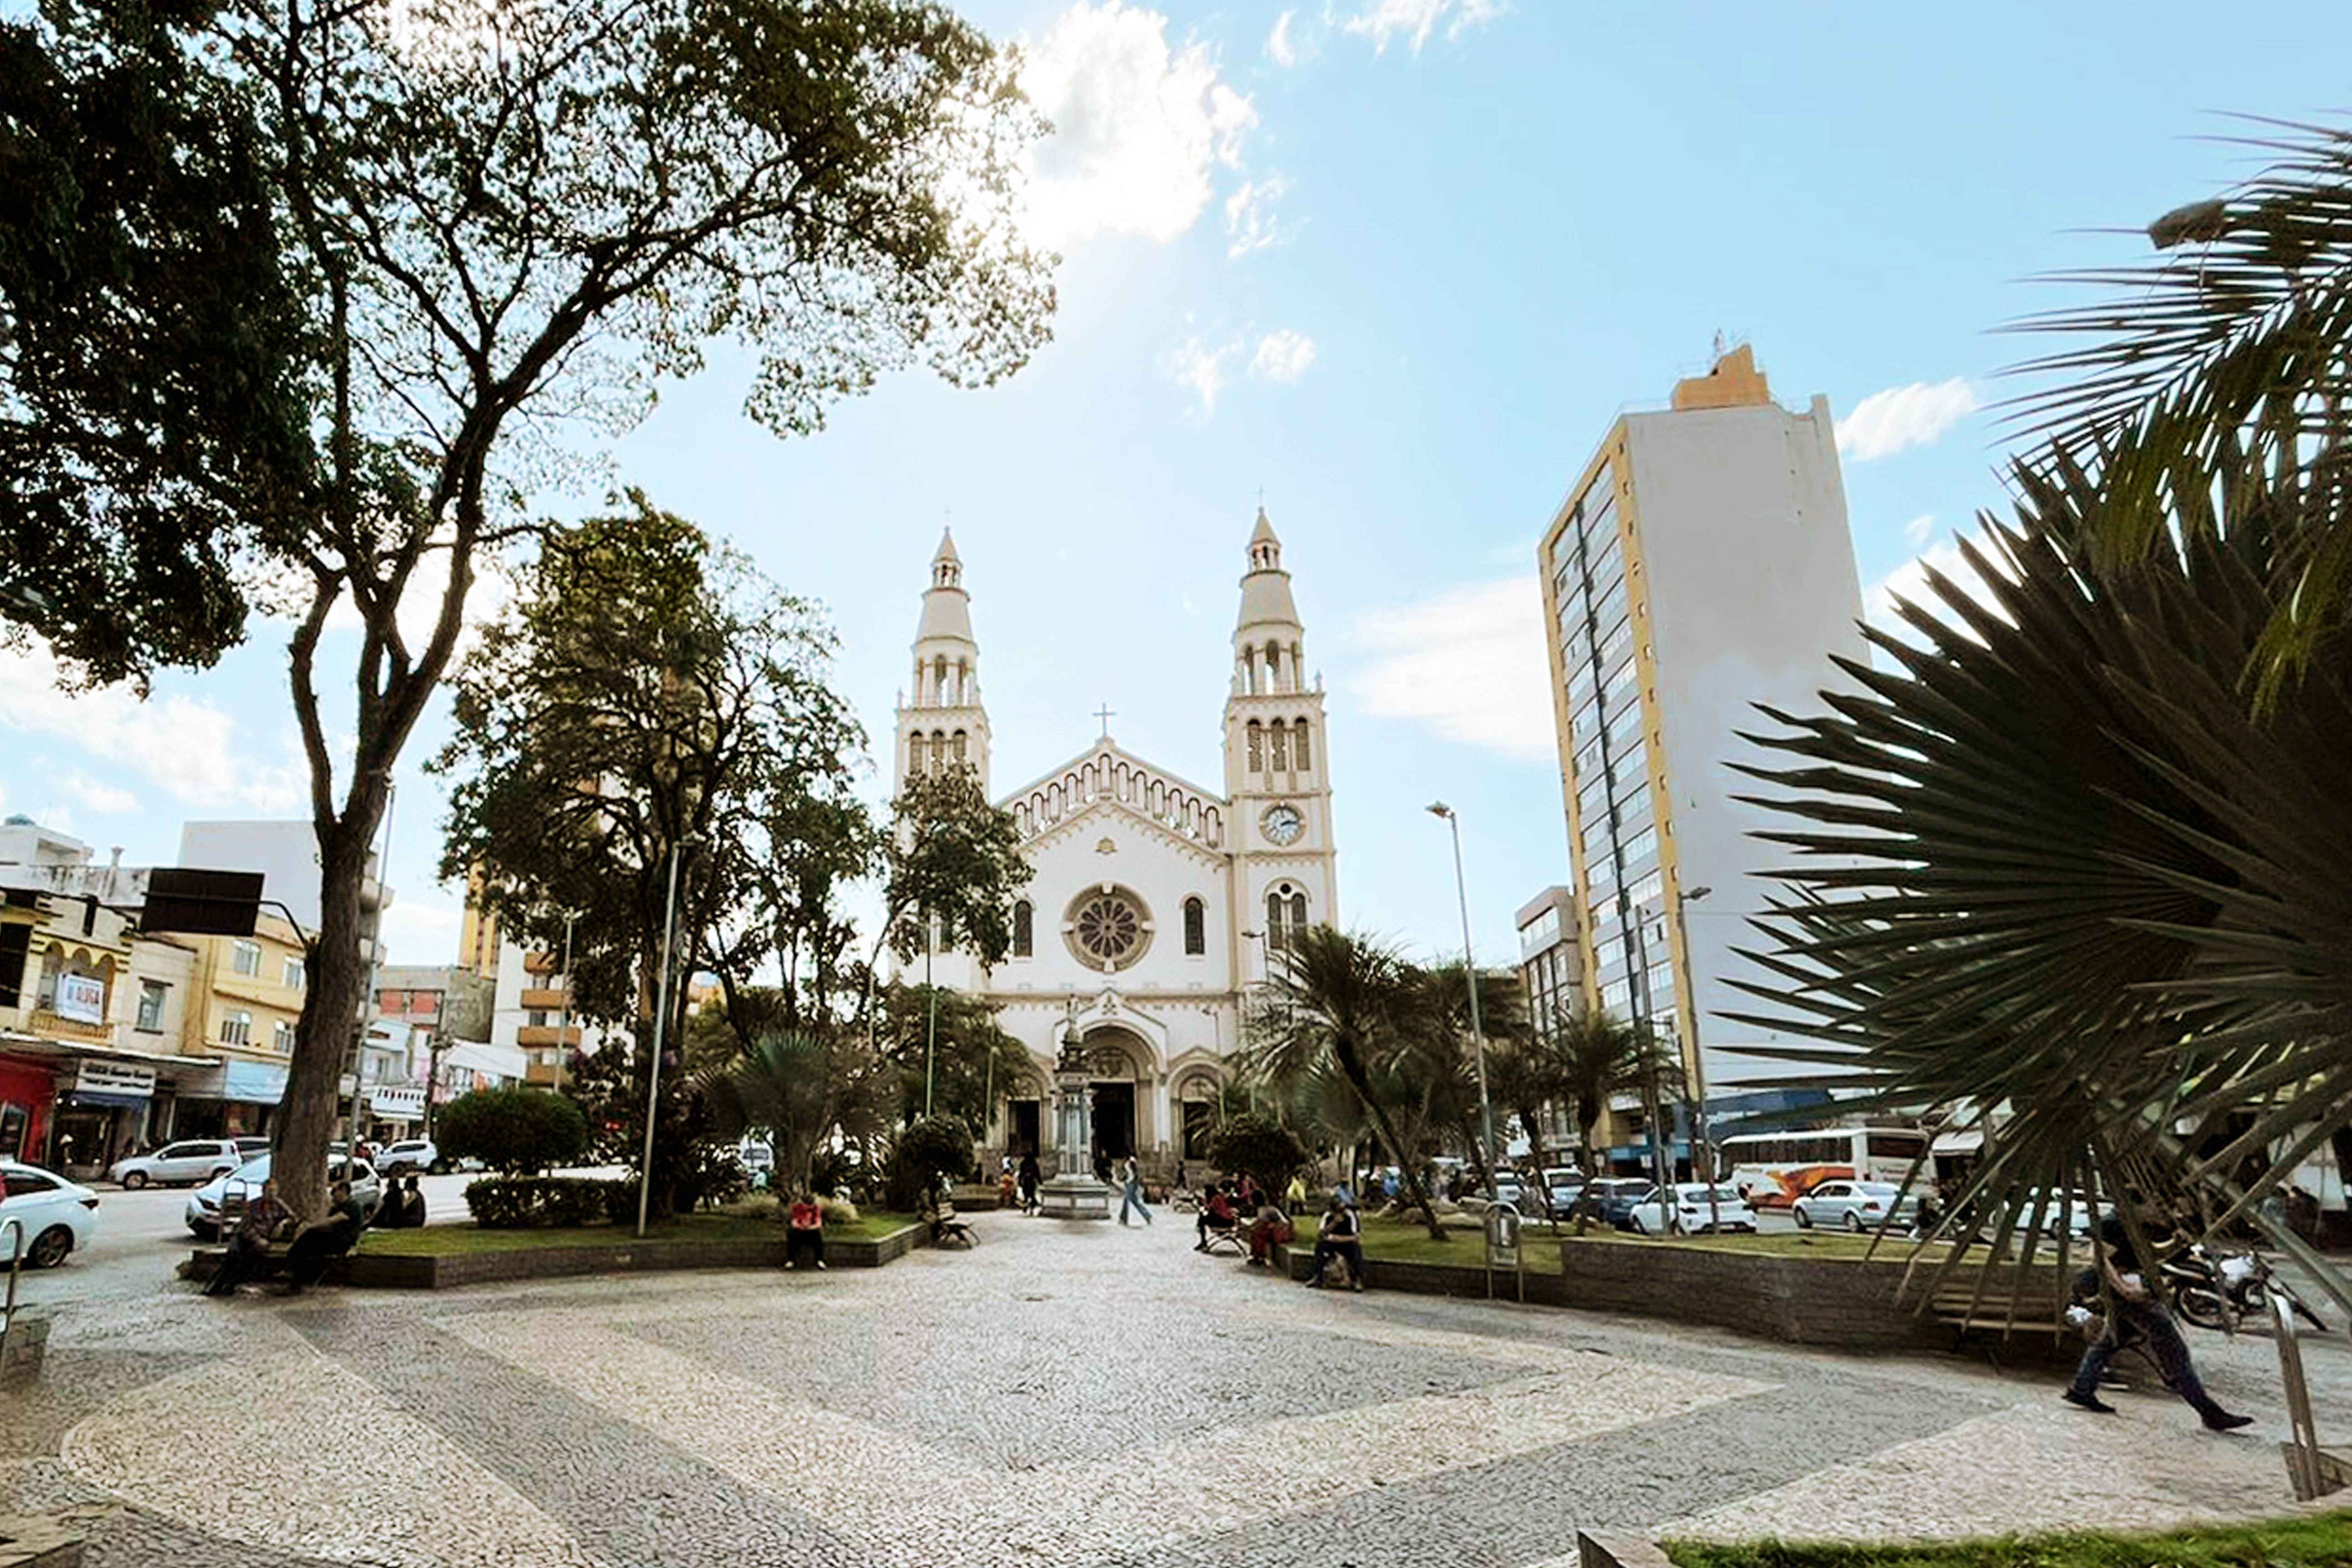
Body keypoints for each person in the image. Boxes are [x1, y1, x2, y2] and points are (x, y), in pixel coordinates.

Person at [2064, 1215, 2251, 1431]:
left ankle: (2082, 1389)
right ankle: (2210, 1413)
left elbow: (2148, 1253)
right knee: (2174, 1351)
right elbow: (2099, 1259)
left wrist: (2176, 1243)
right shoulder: (2115, 1223)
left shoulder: (2137, 1224)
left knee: (2109, 1342)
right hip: (2125, 1295)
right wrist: (2124, 1290)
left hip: (2126, 1294)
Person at [204, 1178, 293, 1296]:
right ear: (263, 1191)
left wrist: (283, 1223)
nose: (271, 1194)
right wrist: (258, 1240)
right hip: (244, 1237)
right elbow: (246, 1228)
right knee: (234, 1257)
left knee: (248, 1261)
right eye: (269, 1191)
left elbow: (293, 1217)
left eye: (273, 1191)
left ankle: (230, 1286)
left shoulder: (279, 1205)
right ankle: (214, 1286)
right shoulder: (254, 1205)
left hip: (262, 1240)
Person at [282, 1179, 367, 1295]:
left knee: (307, 1242)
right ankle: (292, 1272)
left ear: (343, 1191)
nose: (332, 1195)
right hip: (334, 1238)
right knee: (307, 1242)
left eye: (335, 1191)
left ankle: (290, 1269)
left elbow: (332, 1221)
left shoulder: (352, 1206)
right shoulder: (337, 1207)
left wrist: (310, 1226)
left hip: (342, 1242)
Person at [1306, 1193, 1365, 1291]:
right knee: (1320, 1247)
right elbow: (1322, 1233)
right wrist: (1334, 1224)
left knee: (1356, 1250)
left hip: (1346, 1242)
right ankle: (1318, 1277)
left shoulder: (1350, 1216)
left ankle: (1358, 1279)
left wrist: (1340, 1239)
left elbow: (1356, 1236)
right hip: (1331, 1242)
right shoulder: (1328, 1216)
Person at [1248, 1191, 1294, 1267]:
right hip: (1278, 1230)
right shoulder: (1268, 1208)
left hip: (1280, 1232)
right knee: (1256, 1234)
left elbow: (1262, 1222)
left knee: (1258, 1236)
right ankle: (1257, 1256)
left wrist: (1252, 1228)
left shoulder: (1264, 1209)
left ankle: (1260, 1256)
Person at [785, 1189, 827, 1270]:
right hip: (800, 1230)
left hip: (811, 1230)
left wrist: (810, 1227)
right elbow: (794, 1222)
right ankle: (791, 1260)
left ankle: (820, 1260)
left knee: (817, 1236)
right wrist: (801, 1227)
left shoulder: (815, 1208)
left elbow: (818, 1223)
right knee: (792, 1235)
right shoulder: (797, 1208)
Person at [1196, 1183, 1238, 1250]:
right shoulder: (1222, 1197)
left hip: (1222, 1222)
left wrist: (1203, 1203)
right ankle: (1203, 1241)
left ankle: (1203, 1241)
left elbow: (1211, 1209)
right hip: (1230, 1221)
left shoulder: (1215, 1199)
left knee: (1202, 1218)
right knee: (1203, 1218)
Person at [1117, 1155, 1153, 1226]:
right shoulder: (1126, 1163)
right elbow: (1125, 1174)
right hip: (1129, 1184)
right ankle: (1146, 1215)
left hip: (1132, 1184)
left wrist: (1133, 1181)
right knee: (1133, 1201)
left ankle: (1123, 1218)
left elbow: (1135, 1174)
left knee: (1127, 1201)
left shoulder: (1132, 1162)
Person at [1017, 1151, 1041, 1215]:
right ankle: (1030, 1206)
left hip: (1029, 1181)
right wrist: (1039, 1181)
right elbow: (1037, 1173)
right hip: (1028, 1181)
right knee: (1029, 1194)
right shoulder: (1029, 1164)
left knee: (1029, 1195)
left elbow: (1022, 1173)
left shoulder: (1028, 1164)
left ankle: (1029, 1206)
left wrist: (1020, 1181)